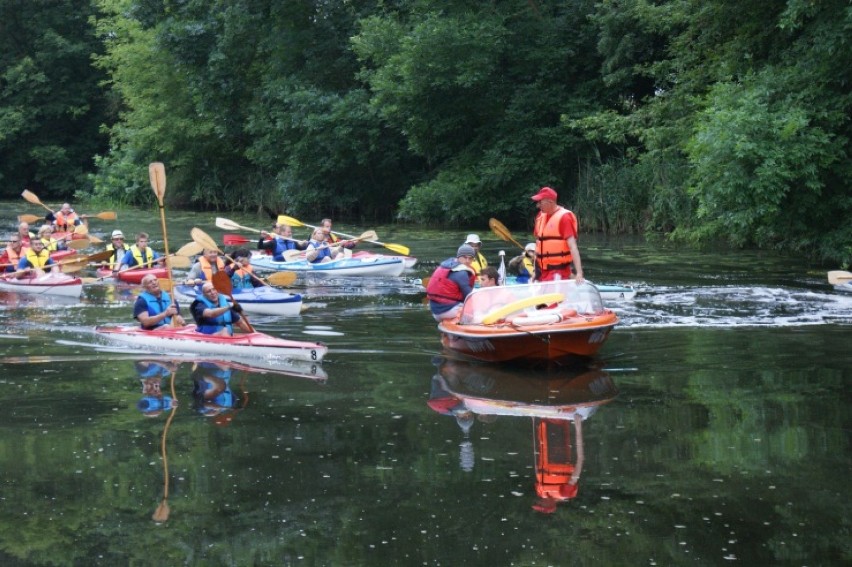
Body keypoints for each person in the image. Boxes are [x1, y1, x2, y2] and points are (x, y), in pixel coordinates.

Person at [531, 186, 584, 283]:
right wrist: (535, 271)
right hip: (542, 271)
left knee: (552, 298)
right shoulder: (540, 216)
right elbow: (538, 246)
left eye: (540, 202)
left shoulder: (564, 218)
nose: (538, 205)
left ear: (550, 202)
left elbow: (573, 247)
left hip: (558, 271)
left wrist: (579, 273)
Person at [425, 244, 477, 321]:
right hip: (448, 311)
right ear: (459, 256)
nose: (467, 261)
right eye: (465, 257)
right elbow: (469, 297)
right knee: (477, 313)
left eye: (470, 258)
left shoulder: (447, 265)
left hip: (435, 311)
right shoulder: (461, 272)